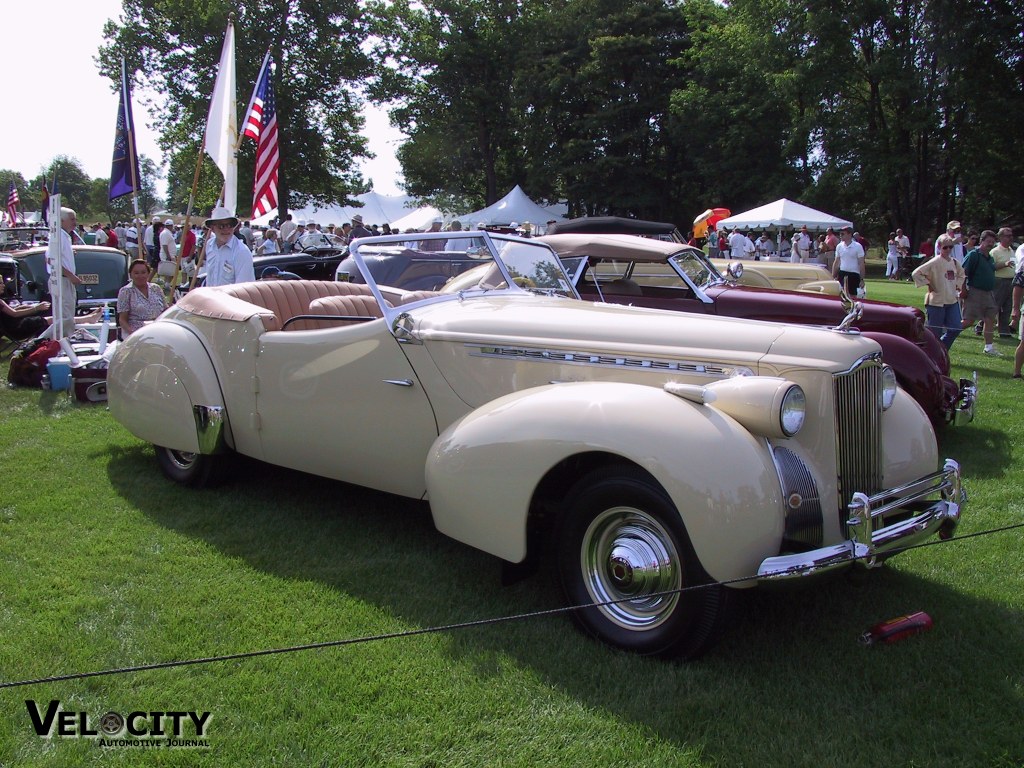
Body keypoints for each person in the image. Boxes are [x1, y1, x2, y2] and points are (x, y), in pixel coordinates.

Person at [912, 234, 965, 349]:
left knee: (956, 327)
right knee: (934, 332)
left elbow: (962, 275)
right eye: (945, 247)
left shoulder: (955, 262)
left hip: (952, 300)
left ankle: (942, 348)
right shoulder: (934, 262)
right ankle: (932, 352)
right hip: (936, 302)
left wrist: (957, 285)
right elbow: (916, 273)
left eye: (951, 247)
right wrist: (928, 283)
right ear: (939, 247)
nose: (948, 250)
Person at [961, 230, 1002, 356]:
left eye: (992, 242)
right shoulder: (974, 255)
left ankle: (989, 347)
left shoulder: (989, 258)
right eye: (988, 241)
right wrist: (963, 290)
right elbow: (963, 273)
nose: (990, 244)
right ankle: (944, 333)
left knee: (990, 319)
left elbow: (992, 269)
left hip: (988, 293)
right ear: (981, 241)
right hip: (974, 292)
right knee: (969, 321)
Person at [46, 207, 83, 337]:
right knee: (65, 319)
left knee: (66, 319)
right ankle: (36, 343)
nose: (75, 222)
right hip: (63, 280)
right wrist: (71, 276)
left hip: (63, 280)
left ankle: (64, 346)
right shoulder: (59, 237)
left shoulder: (63, 237)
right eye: (72, 219)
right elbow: (50, 259)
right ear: (62, 221)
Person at [202, 207, 255, 287]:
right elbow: (209, 279)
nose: (226, 229)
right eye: (221, 226)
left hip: (231, 298)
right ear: (212, 228)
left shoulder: (241, 252)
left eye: (230, 225)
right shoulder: (209, 245)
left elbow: (242, 289)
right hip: (211, 298)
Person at [116, 259, 167, 337]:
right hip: (136, 334)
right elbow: (122, 320)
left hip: (158, 331)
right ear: (131, 275)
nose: (140, 276)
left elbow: (165, 310)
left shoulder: (156, 288)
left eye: (143, 272)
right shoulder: (126, 291)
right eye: (136, 273)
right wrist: (133, 334)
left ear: (148, 273)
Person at [990, 227, 1017, 338]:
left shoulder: (1011, 250)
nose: (1010, 238)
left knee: (1007, 307)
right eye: (1007, 236)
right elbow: (991, 267)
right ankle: (981, 325)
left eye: (1011, 235)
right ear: (1001, 237)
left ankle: (1004, 331)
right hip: (999, 281)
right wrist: (1005, 264)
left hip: (1011, 281)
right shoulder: (995, 251)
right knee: (995, 306)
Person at [832, 226, 866, 296]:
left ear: (849, 234)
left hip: (854, 274)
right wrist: (833, 276)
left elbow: (861, 263)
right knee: (841, 295)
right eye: (840, 234)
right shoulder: (839, 246)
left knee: (853, 296)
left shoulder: (857, 246)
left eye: (842, 234)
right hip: (842, 273)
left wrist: (862, 279)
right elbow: (836, 262)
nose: (840, 236)